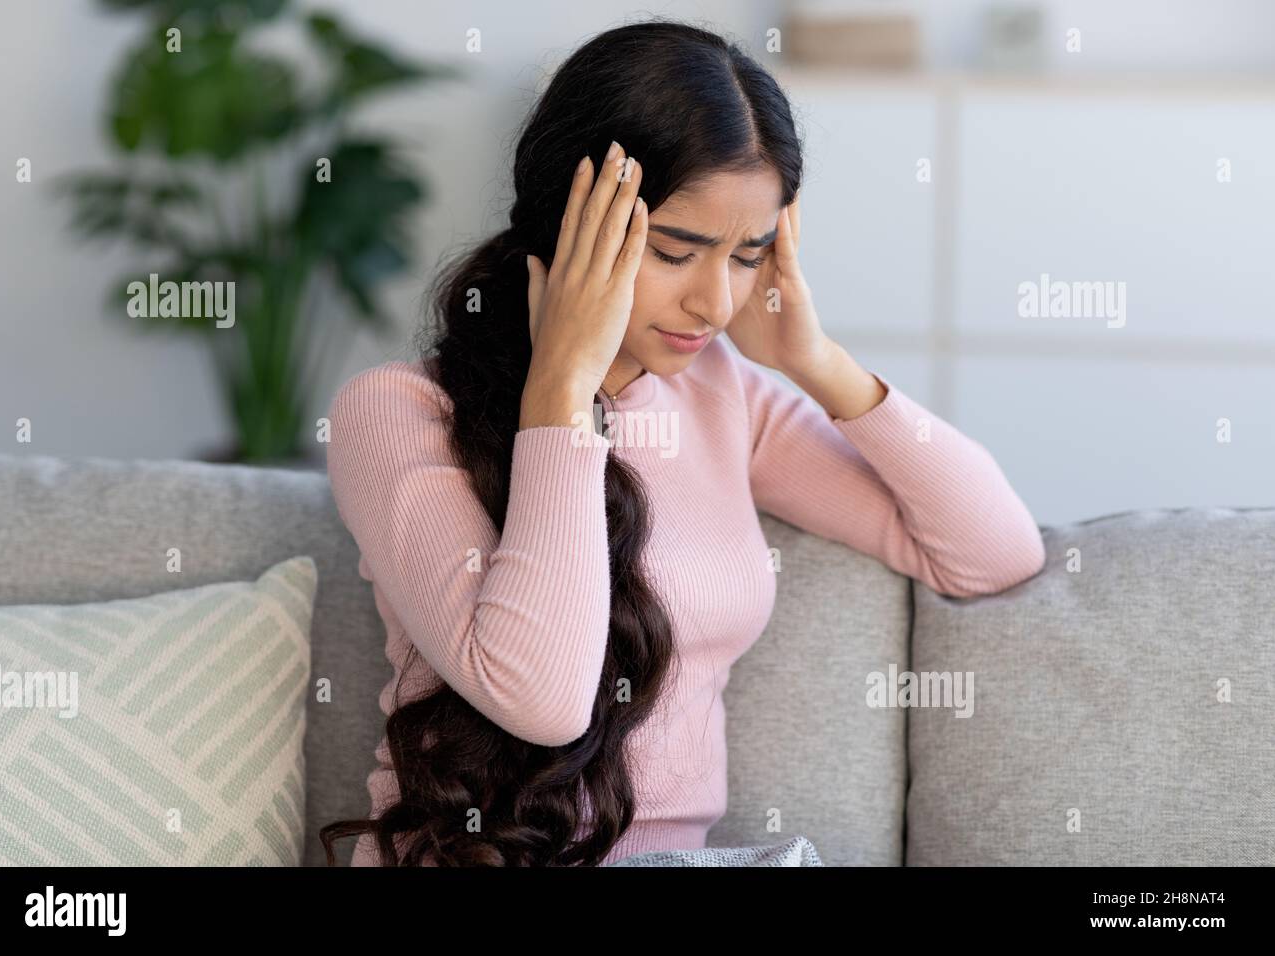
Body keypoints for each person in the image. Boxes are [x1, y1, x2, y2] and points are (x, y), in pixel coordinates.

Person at [319, 19, 1045, 867]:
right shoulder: (396, 415)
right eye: (676, 250)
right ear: (566, 222)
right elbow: (545, 699)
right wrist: (561, 390)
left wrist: (818, 363)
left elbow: (992, 551)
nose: (715, 301)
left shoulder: (723, 398)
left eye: (748, 256)